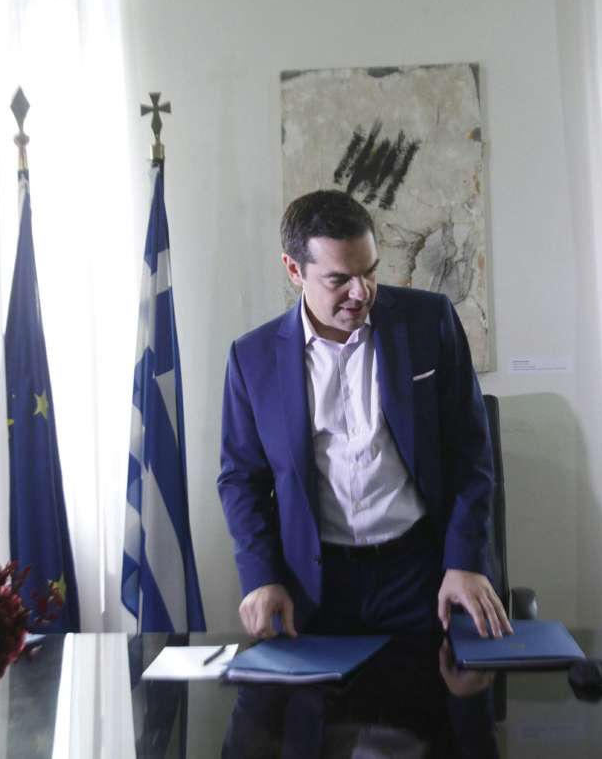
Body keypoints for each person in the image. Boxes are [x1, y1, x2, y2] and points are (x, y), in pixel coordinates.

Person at [218, 189, 512, 640]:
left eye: (370, 271)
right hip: (314, 585)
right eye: (339, 280)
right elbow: (242, 479)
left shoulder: (429, 322)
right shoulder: (252, 358)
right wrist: (261, 576)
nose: (361, 292)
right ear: (294, 270)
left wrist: (464, 561)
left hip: (420, 574)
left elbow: (471, 452)